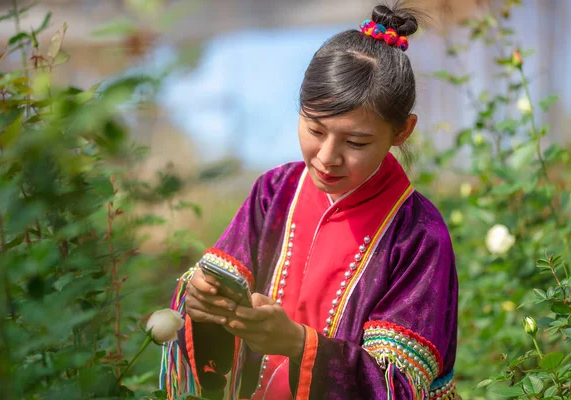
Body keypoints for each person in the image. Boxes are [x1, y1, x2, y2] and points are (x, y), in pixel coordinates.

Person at [160, 3, 458, 399]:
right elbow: (214, 301)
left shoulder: (418, 235)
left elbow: (400, 387)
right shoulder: (274, 192)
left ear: (402, 130)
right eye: (314, 128)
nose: (326, 156)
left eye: (356, 142)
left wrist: (299, 345)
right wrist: (203, 304)